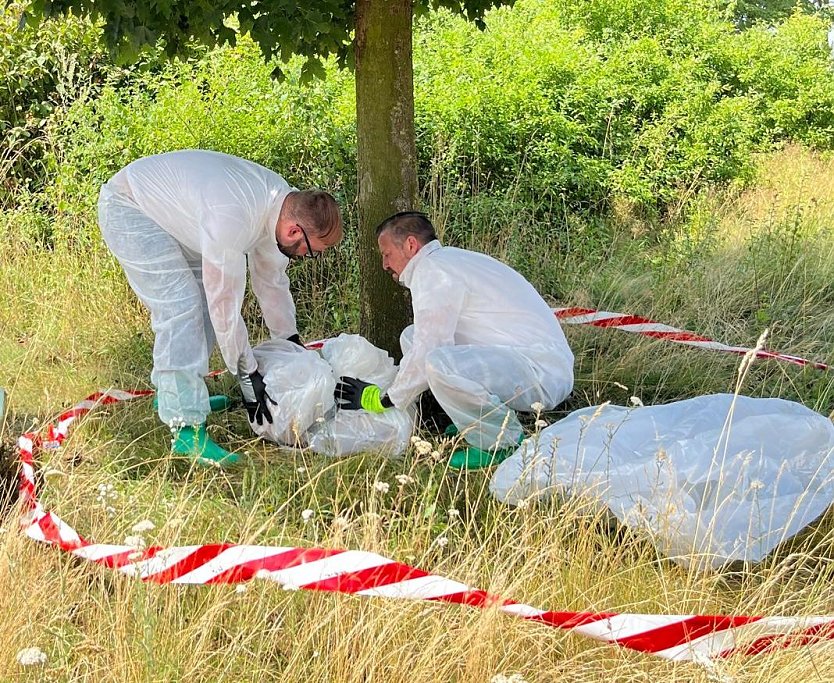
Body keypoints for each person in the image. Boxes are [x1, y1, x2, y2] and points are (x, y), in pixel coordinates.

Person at [98, 149, 343, 465]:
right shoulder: (235, 217)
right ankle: (186, 430)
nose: (306, 257)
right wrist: (247, 374)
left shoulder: (281, 207)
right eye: (311, 251)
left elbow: (272, 282)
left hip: (177, 218)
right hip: (131, 207)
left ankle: (179, 396)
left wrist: (290, 342)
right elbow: (225, 304)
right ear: (295, 232)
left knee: (201, 308)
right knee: (182, 308)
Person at [334, 211, 573, 469]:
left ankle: (500, 443)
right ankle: (472, 421)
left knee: (437, 362)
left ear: (411, 245)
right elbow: (427, 340)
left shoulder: (433, 272)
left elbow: (431, 349)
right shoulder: (448, 262)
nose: (384, 264)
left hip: (540, 371)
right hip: (525, 360)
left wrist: (384, 400)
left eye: (387, 253)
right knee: (411, 337)